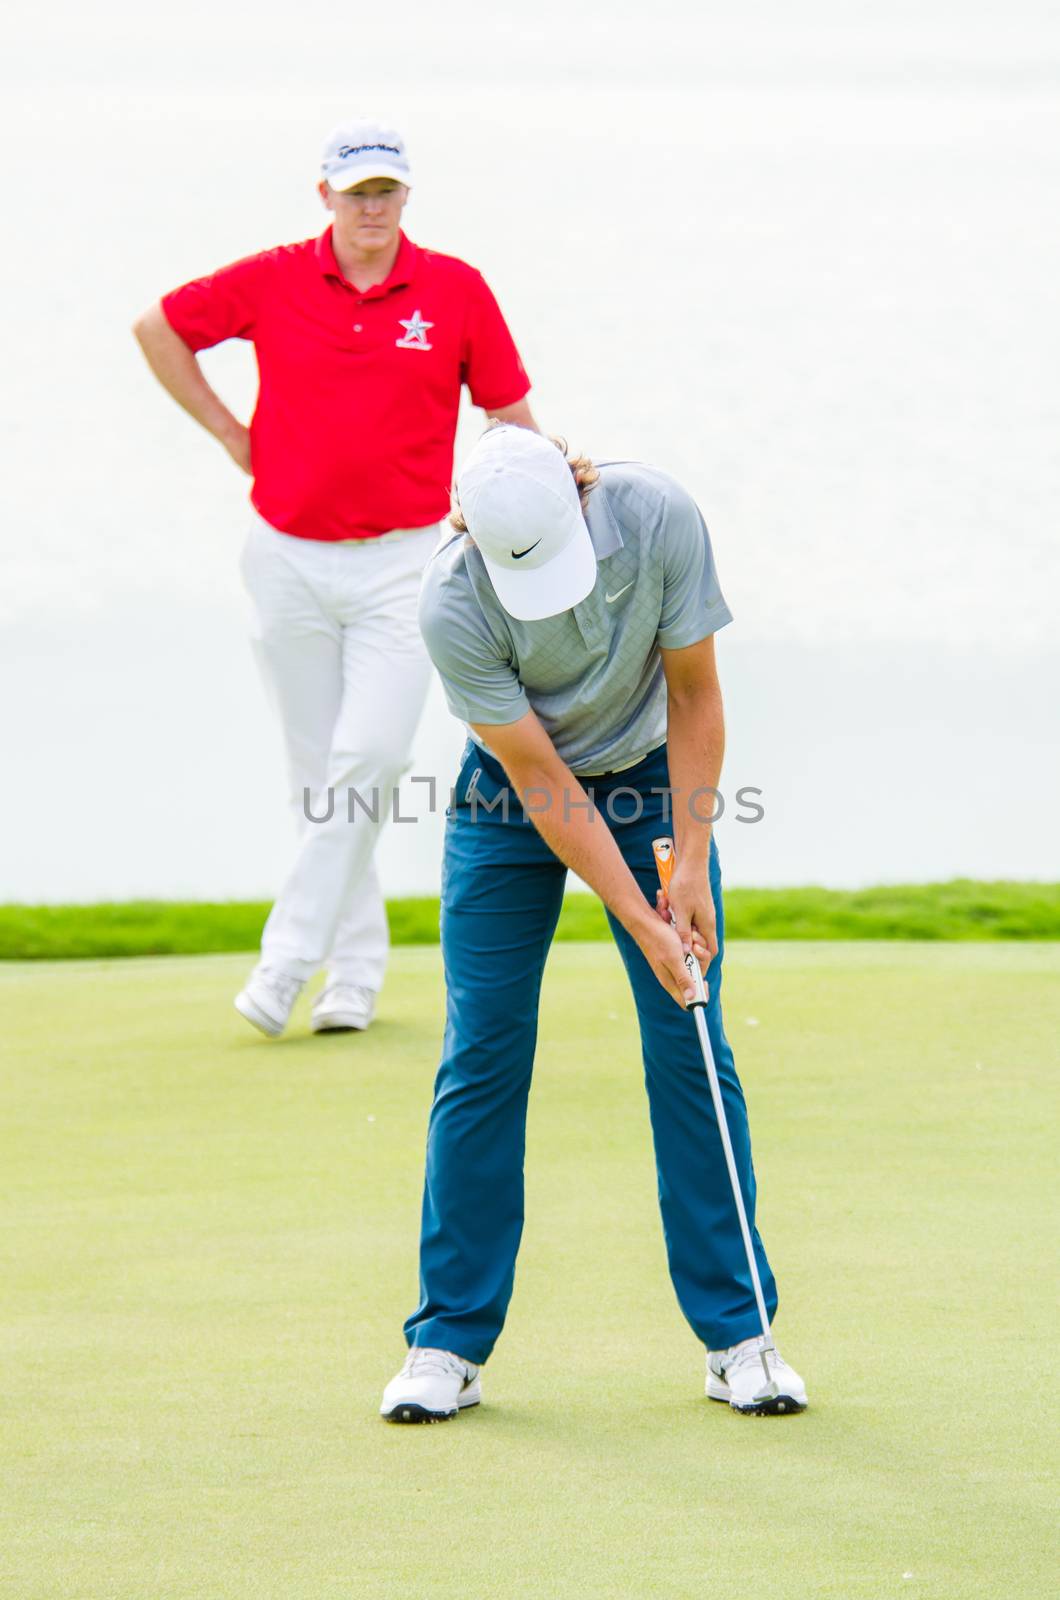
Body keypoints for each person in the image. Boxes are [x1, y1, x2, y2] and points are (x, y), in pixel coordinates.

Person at [380, 424, 807, 1421]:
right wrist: (639, 914)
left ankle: (739, 1335)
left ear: (580, 496)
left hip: (656, 780)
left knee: (690, 1033)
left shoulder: (655, 514)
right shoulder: (451, 600)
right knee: (482, 1049)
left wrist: (689, 862)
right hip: (513, 804)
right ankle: (447, 1341)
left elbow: (696, 691)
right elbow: (538, 778)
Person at [133, 118, 535, 1037]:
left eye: (386, 191)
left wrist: (541, 513)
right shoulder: (275, 277)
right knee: (318, 776)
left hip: (405, 565)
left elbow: (511, 416)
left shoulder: (455, 289)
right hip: (287, 558)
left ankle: (285, 964)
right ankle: (353, 977)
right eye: (356, 193)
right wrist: (235, 439)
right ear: (326, 197)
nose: (371, 208)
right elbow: (158, 327)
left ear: (406, 197)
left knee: (375, 758)